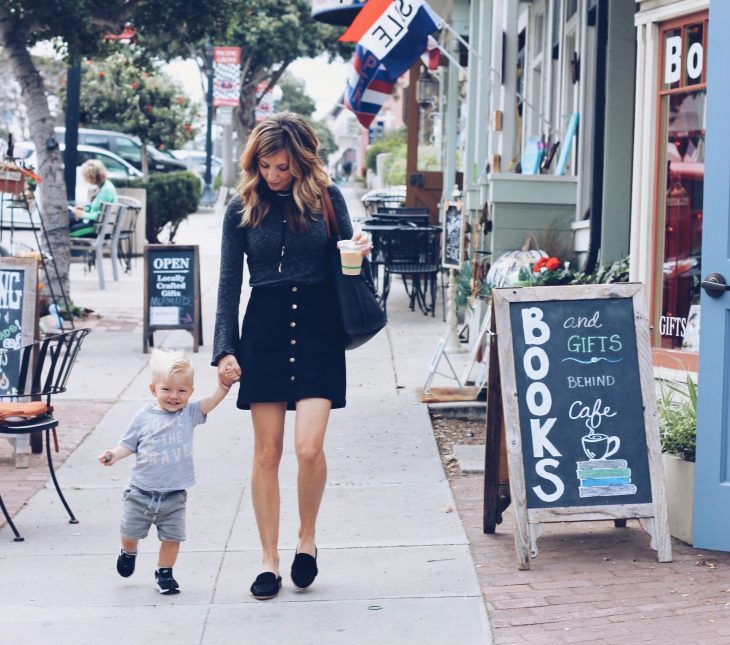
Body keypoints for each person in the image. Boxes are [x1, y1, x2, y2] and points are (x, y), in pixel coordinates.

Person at [213, 112, 371, 600]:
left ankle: (307, 539)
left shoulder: (328, 199)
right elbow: (228, 283)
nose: (274, 175)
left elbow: (349, 266)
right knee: (267, 452)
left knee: (308, 448)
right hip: (265, 330)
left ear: (302, 162)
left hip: (319, 327)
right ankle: (269, 559)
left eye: (282, 166)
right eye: (266, 166)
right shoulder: (241, 206)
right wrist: (223, 348)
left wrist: (360, 253)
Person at [98, 349, 229, 595]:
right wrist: (114, 454)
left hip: (174, 495)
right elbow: (128, 444)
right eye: (166, 389)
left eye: (181, 391)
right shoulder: (143, 417)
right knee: (129, 533)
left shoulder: (189, 413)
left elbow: (211, 402)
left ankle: (164, 572)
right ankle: (128, 551)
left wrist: (223, 388)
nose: (174, 396)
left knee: (172, 538)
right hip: (140, 492)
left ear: (190, 391)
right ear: (153, 390)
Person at [69, 159, 117, 237]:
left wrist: (82, 214)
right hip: (98, 226)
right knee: (71, 226)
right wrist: (85, 209)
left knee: (68, 232)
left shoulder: (105, 190)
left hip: (98, 228)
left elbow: (100, 215)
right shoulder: (104, 186)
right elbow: (97, 210)